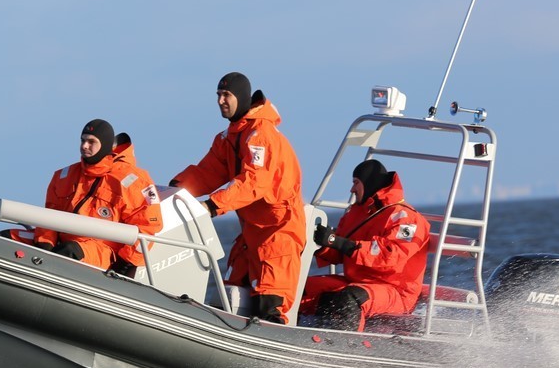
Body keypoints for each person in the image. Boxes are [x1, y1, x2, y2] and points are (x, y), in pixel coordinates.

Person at [169, 72, 306, 323]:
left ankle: (272, 345)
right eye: (218, 95)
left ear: (241, 97)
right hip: (251, 234)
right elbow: (207, 172)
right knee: (227, 297)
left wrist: (212, 205)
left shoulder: (261, 135)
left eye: (226, 95)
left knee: (269, 306)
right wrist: (174, 190)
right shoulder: (229, 138)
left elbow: (255, 182)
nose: (221, 101)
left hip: (278, 233)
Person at [299, 159, 431, 331]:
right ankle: (282, 327)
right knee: (300, 287)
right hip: (357, 281)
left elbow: (389, 255)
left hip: (395, 291)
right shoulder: (357, 213)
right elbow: (340, 251)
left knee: (350, 298)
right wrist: (322, 243)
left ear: (370, 183)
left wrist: (339, 242)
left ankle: (346, 343)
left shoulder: (407, 218)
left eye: (356, 183)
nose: (352, 189)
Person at [26, 119, 161, 271]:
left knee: (69, 251)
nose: (84, 146)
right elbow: (50, 214)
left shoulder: (135, 181)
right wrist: (44, 243)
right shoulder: (64, 176)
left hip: (102, 251)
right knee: (8, 238)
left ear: (105, 145)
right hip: (59, 243)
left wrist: (124, 265)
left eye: (91, 142)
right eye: (82, 140)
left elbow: (147, 228)